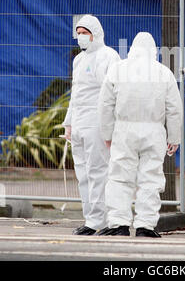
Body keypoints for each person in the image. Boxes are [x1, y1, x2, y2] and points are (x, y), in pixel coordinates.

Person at [96, 32, 183, 238]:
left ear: (132, 48)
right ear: (154, 50)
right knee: (150, 179)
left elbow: (105, 105)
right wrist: (174, 138)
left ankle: (119, 224)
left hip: (124, 131)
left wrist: (107, 133)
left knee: (119, 177)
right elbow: (174, 109)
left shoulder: (118, 70)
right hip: (154, 132)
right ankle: (145, 226)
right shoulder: (164, 73)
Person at [63, 15, 120, 235]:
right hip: (79, 125)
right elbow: (76, 94)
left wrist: (109, 126)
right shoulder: (79, 60)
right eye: (78, 33)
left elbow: (112, 94)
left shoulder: (108, 56)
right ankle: (91, 218)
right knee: (83, 173)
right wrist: (68, 124)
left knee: (99, 172)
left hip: (97, 125)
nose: (80, 37)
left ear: (95, 33)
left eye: (84, 33)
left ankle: (102, 220)